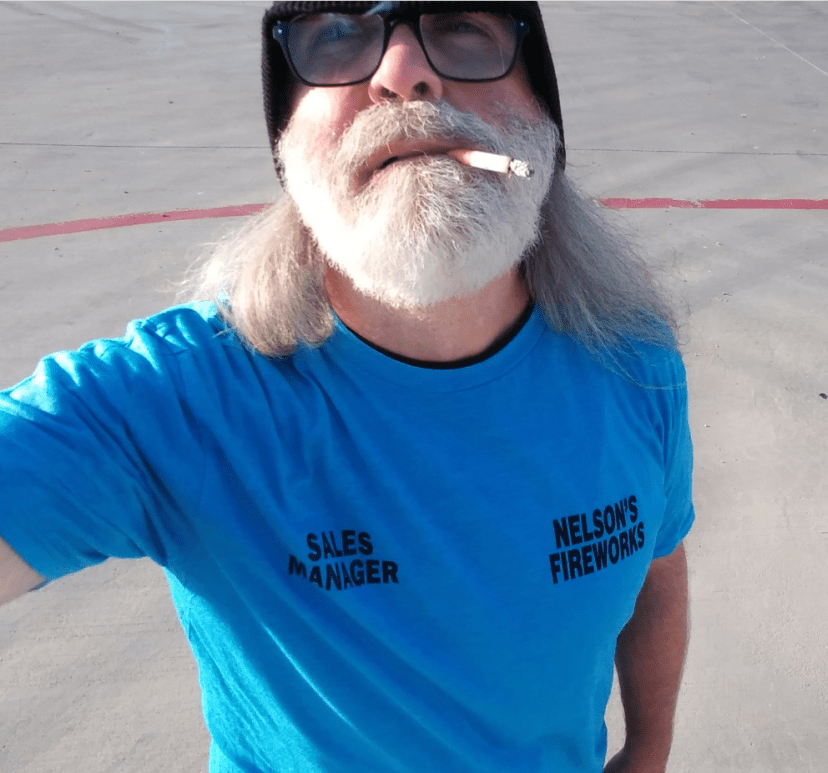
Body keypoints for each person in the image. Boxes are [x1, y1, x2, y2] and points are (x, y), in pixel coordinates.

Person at [0, 2, 695, 772]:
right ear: (287, 140)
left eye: (463, 25)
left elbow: (657, 563)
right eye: (335, 33)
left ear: (544, 117)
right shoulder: (180, 401)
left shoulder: (635, 363)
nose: (404, 73)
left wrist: (649, 746)